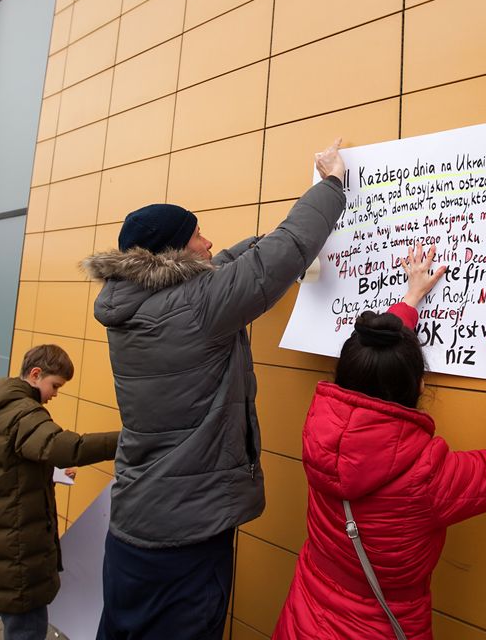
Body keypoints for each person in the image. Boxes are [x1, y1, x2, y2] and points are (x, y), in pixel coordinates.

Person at [82, 139, 348, 639]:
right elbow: (280, 254)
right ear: (173, 253)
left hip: (135, 529)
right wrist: (333, 183)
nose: (207, 242)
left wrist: (254, 244)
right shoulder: (200, 305)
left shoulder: (133, 302)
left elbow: (228, 265)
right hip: (186, 535)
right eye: (198, 235)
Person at [273, 243, 486, 639]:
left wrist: (410, 299)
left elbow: (371, 358)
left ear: (345, 376)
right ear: (419, 384)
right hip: (379, 628)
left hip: (304, 616)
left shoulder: (319, 431)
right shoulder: (428, 476)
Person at [0, 343, 120, 640]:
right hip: (14, 552)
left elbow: (4, 463)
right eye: (55, 385)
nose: (55, 394)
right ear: (36, 374)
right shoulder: (24, 413)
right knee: (26, 626)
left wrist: (48, 472)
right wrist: (125, 440)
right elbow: (69, 448)